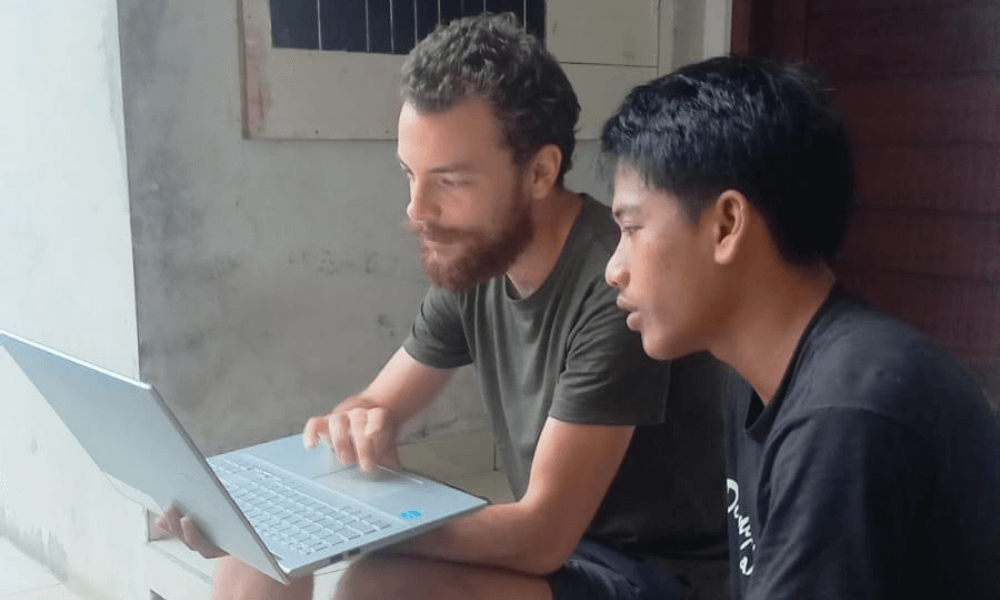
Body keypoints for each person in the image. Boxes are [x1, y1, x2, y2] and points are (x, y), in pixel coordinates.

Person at [159, 13, 731, 600]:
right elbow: (376, 403)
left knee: (381, 586)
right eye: (410, 175)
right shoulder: (480, 259)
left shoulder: (614, 284)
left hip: (650, 575)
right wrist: (351, 432)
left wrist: (347, 525)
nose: (416, 210)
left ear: (540, 172)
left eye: (450, 182)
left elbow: (542, 535)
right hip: (563, 559)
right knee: (259, 556)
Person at [600, 54, 1000, 600]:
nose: (614, 269)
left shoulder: (844, 413)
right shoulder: (754, 375)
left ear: (726, 225)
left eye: (631, 227)